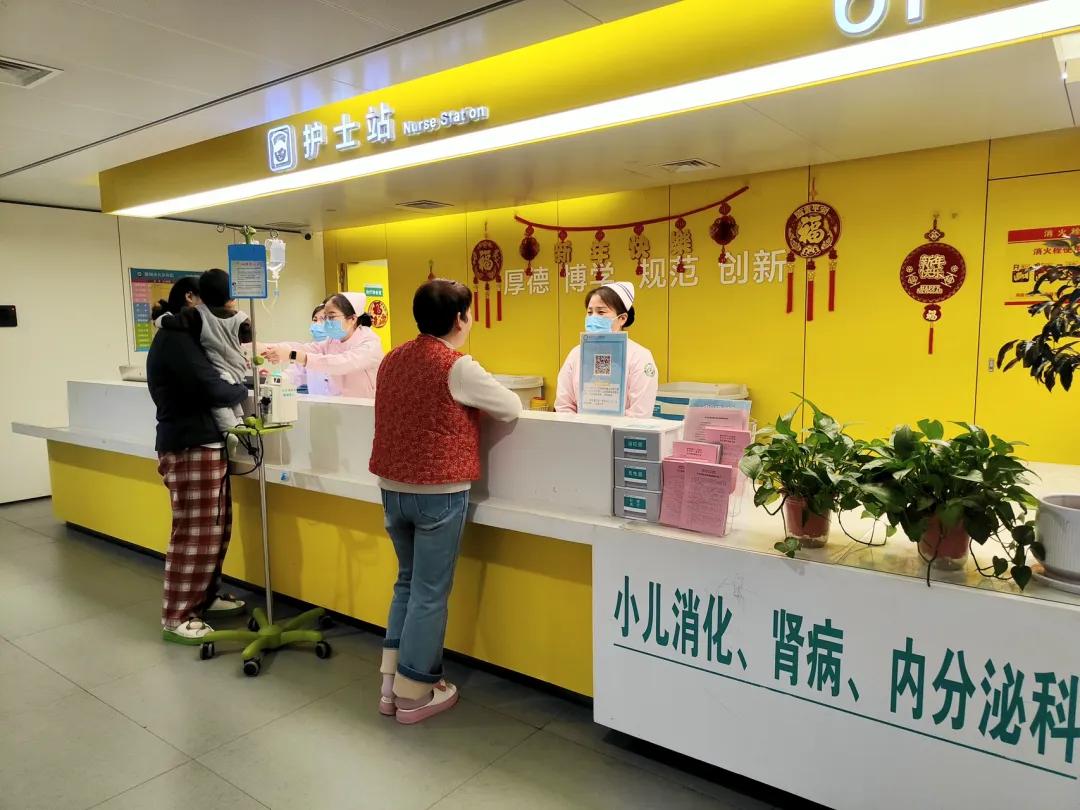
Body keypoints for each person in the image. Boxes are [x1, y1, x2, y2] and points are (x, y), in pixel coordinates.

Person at [368, 279, 521, 724]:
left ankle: (389, 687)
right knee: (430, 594)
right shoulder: (458, 366)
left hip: (391, 488)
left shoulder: (393, 358)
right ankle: (415, 694)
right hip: (438, 494)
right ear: (460, 319)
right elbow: (511, 407)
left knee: (406, 583)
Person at [146, 276, 250, 644]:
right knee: (195, 533)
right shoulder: (176, 339)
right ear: (195, 301)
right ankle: (177, 615)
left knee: (215, 530)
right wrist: (241, 387)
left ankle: (204, 597)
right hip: (190, 445)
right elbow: (212, 387)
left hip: (206, 443)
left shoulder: (190, 336)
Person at [554, 280, 659, 418]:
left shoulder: (640, 356)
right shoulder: (576, 354)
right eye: (589, 312)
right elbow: (563, 405)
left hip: (622, 431)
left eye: (601, 312)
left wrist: (607, 427)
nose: (593, 317)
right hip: (580, 430)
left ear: (622, 318)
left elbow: (640, 413)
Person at [262, 292, 382, 398]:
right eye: (325, 317)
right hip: (332, 407)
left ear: (352, 319)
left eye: (331, 317)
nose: (326, 322)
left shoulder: (370, 344)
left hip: (363, 409)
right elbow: (306, 349)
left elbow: (340, 363)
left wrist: (292, 355)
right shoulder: (332, 341)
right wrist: (269, 348)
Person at [194, 269, 252, 435]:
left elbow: (176, 322)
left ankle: (229, 432)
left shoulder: (198, 314)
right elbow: (248, 337)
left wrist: (161, 319)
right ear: (232, 295)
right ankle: (238, 424)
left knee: (219, 406)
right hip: (237, 370)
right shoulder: (241, 318)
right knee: (231, 400)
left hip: (218, 370)